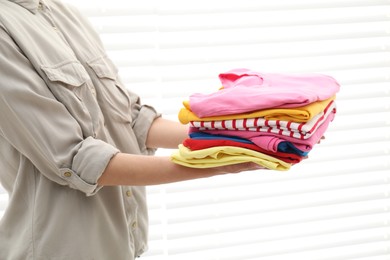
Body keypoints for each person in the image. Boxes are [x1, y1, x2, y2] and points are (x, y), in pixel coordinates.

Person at [0, 0, 262, 259]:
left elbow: (130, 119)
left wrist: (232, 137)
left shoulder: (65, 13)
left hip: (119, 247)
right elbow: (75, 158)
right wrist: (214, 163)